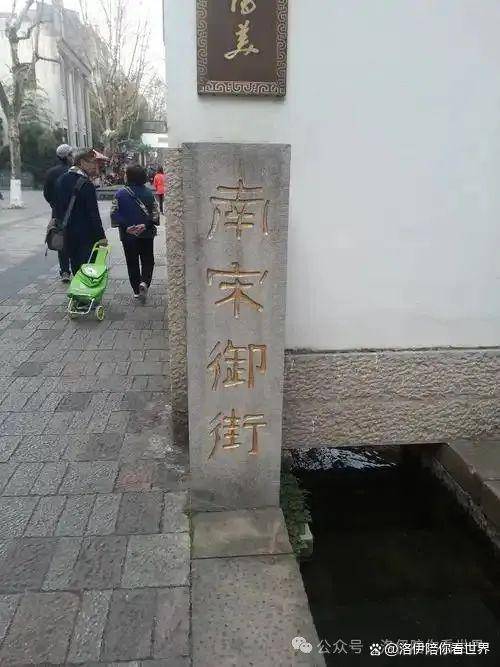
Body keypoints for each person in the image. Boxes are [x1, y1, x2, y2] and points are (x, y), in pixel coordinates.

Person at [54, 148, 107, 276]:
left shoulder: (61, 179)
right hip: (85, 235)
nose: (95, 166)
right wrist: (101, 236)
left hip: (67, 232)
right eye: (92, 162)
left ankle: (76, 286)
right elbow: (93, 214)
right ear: (82, 162)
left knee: (76, 267)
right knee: (87, 271)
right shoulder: (86, 184)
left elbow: (56, 206)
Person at [111, 164, 159, 302]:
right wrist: (145, 225)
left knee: (132, 262)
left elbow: (114, 213)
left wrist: (126, 227)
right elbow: (155, 214)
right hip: (146, 234)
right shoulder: (148, 193)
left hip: (128, 235)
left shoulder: (120, 194)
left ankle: (136, 291)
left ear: (129, 176)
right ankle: (144, 282)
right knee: (147, 260)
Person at [43, 143, 73, 282]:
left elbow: (46, 193)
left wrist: (54, 204)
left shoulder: (51, 172)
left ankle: (65, 271)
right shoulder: (73, 172)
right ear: (68, 156)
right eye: (71, 154)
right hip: (75, 211)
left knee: (61, 240)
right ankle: (77, 268)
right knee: (76, 240)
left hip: (58, 212)